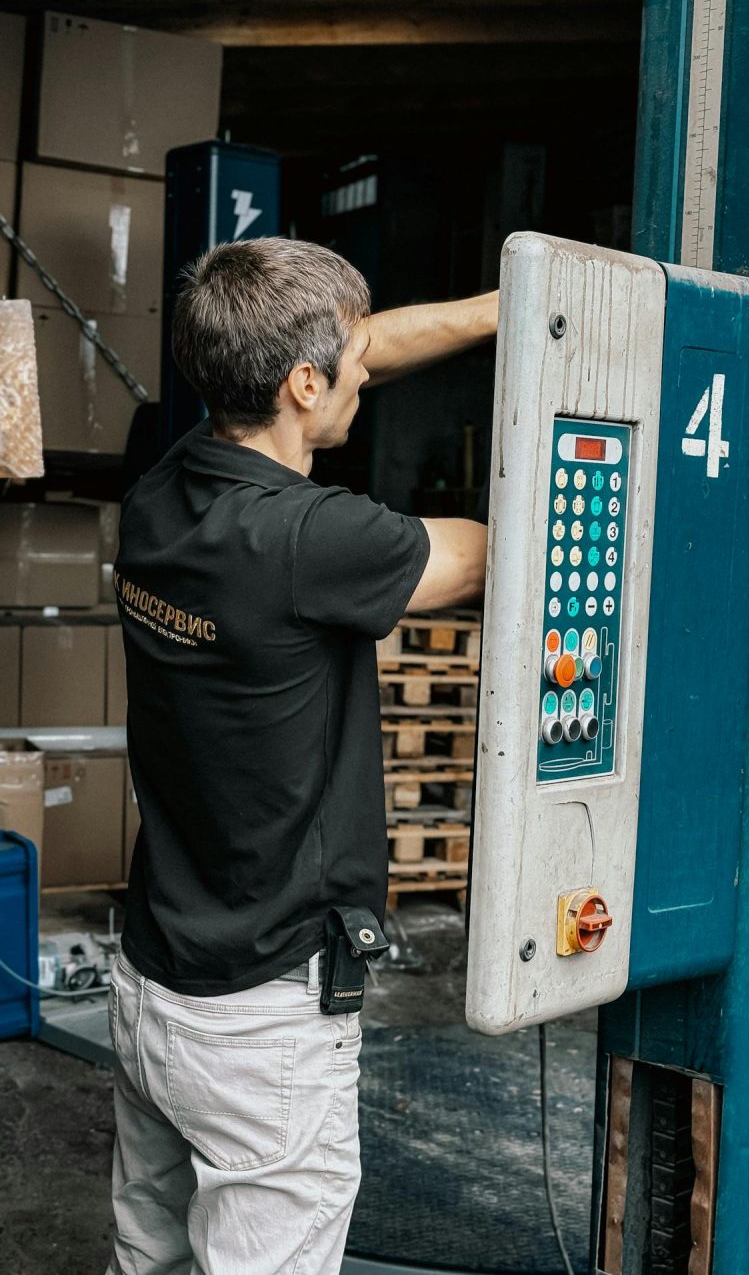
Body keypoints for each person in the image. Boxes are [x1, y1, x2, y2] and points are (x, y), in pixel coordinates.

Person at [106, 237, 493, 1275]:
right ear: (302, 383)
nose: (368, 373)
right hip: (263, 1025)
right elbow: (485, 558)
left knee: (148, 1257)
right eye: (347, 371)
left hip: (155, 983)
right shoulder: (313, 541)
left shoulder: (162, 486)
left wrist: (516, 305)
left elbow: (355, 343)